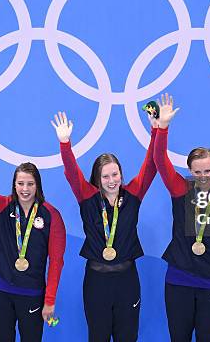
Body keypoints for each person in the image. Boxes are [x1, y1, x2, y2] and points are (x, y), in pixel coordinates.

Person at [51, 111, 157, 342]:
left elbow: (151, 166)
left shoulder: (133, 194)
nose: (112, 181)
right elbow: (71, 172)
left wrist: (157, 131)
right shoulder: (87, 197)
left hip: (127, 281)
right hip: (96, 282)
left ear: (121, 174)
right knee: (97, 337)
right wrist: (65, 144)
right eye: (105, 176)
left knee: (127, 337)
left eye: (115, 174)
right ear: (97, 179)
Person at [153, 93, 210, 342]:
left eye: (207, 170)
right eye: (197, 171)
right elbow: (159, 160)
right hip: (178, 281)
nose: (203, 176)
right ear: (189, 171)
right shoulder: (181, 189)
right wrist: (163, 127)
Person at [0, 144, 66, 342]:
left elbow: (56, 261)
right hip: (0, 291)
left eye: (30, 184)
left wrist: (50, 300)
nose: (25, 189)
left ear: (38, 185)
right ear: (14, 184)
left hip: (32, 293)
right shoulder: (3, 205)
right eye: (20, 184)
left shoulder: (51, 215)